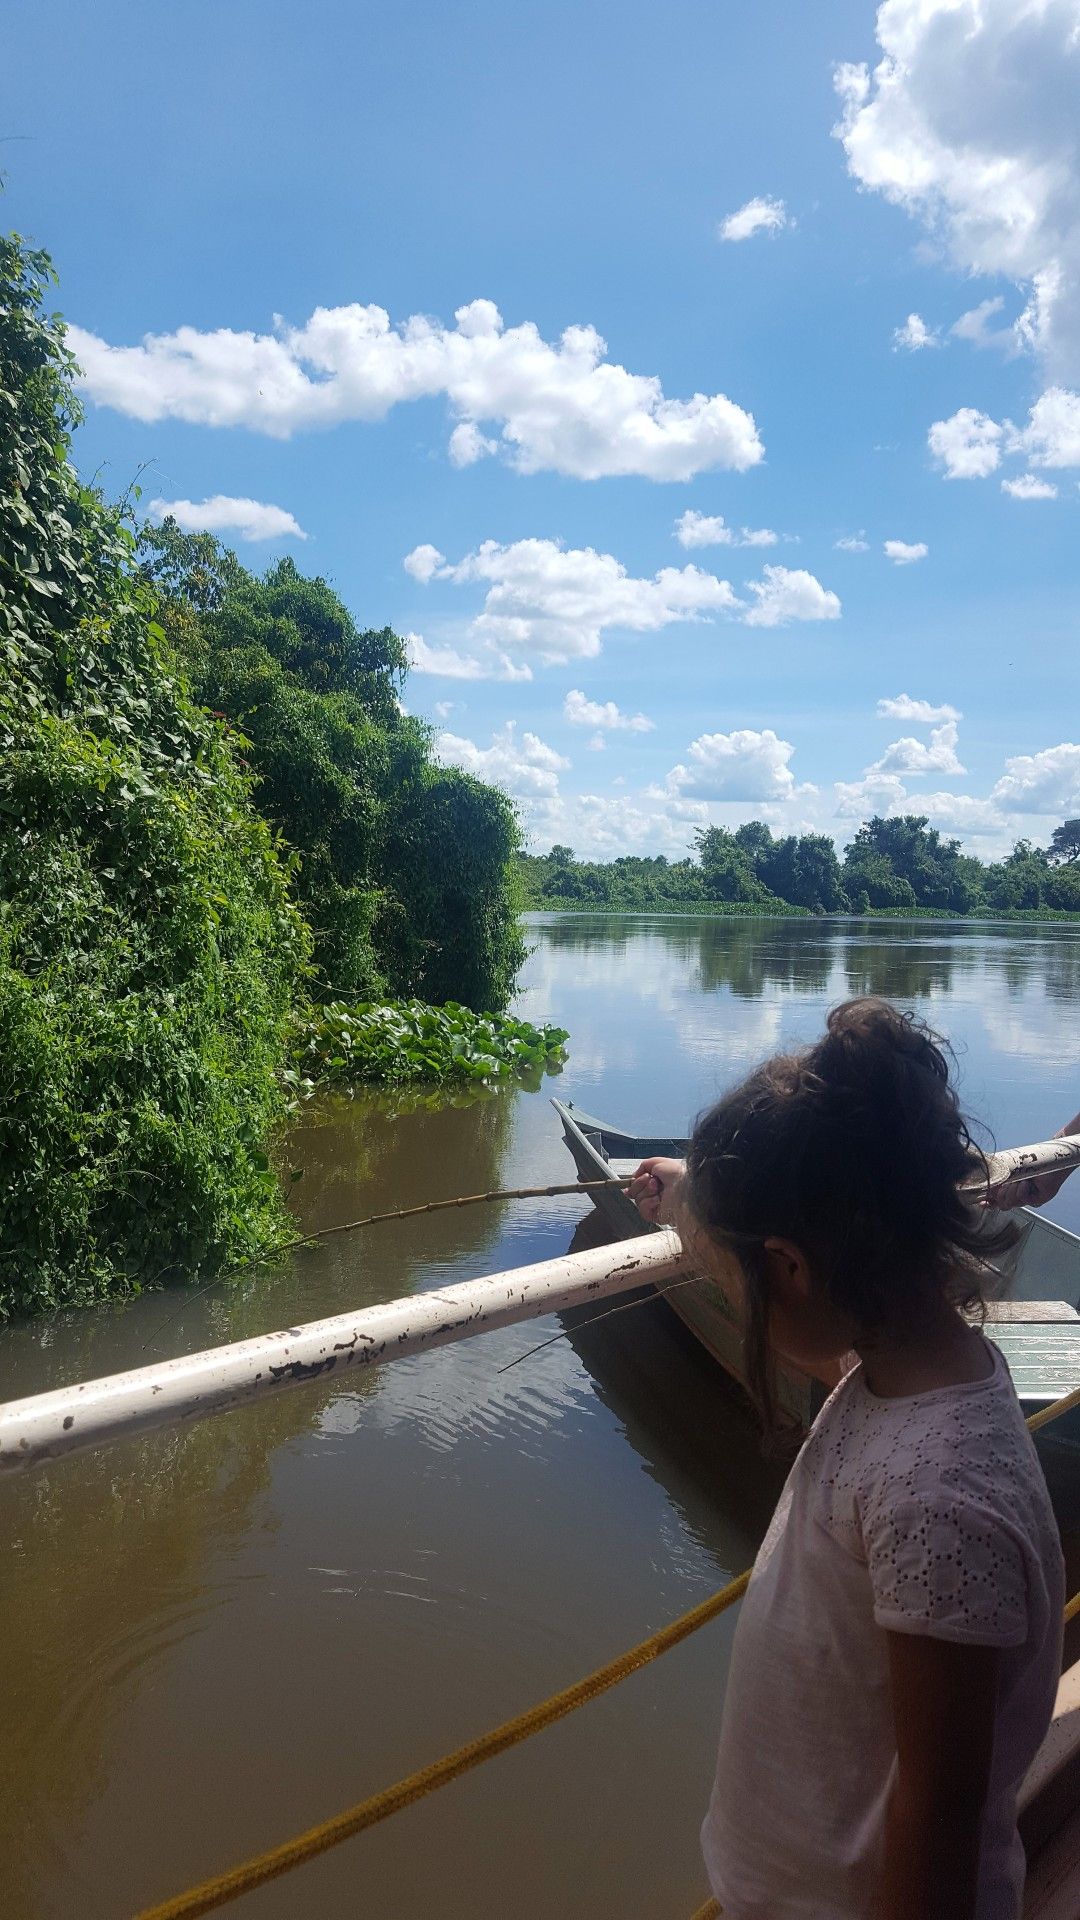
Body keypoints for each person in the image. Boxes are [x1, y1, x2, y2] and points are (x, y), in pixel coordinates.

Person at [629, 999, 1064, 1920]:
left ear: (789, 1266)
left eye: (749, 1282)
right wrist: (687, 1197)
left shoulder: (937, 1503)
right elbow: (784, 1287)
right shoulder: (903, 1374)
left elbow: (938, 1817)